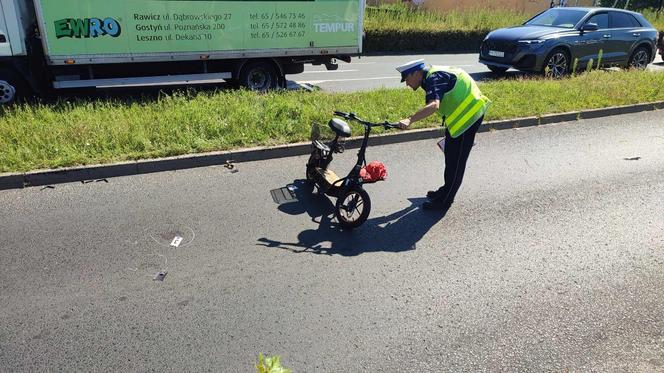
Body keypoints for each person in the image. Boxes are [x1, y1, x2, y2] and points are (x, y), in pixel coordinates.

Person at [395, 59, 490, 211]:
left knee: (456, 162)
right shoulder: (429, 77)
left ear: (416, 73)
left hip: (469, 117)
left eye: (406, 78)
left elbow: (434, 105)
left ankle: (445, 201)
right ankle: (445, 190)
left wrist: (410, 119)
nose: (406, 83)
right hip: (459, 117)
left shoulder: (433, 78)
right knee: (450, 156)